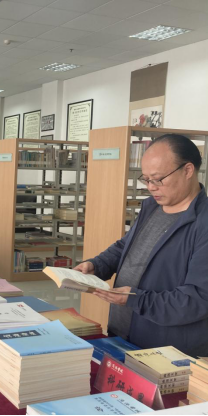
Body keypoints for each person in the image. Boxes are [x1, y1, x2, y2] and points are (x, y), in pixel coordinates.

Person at [75, 134, 208, 357]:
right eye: (145, 179)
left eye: (157, 179)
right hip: (123, 333)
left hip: (164, 349)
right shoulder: (151, 207)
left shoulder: (203, 223)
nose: (151, 187)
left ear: (187, 170)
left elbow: (197, 299)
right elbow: (126, 247)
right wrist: (97, 265)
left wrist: (136, 299)